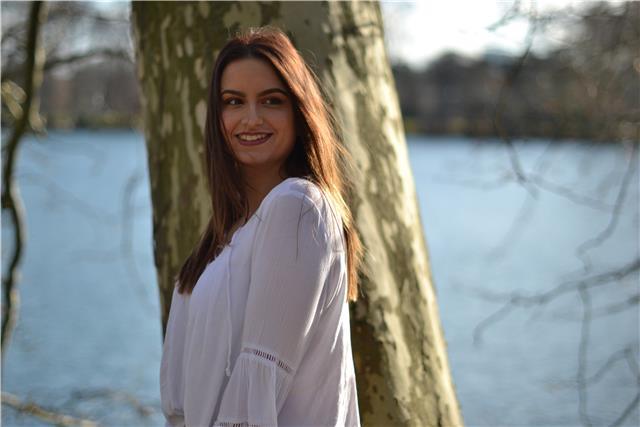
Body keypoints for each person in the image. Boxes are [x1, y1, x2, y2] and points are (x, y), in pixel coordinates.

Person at [160, 26, 364, 427]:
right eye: (234, 101)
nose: (250, 118)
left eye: (272, 101)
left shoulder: (299, 207)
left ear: (300, 110)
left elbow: (253, 403)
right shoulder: (224, 237)